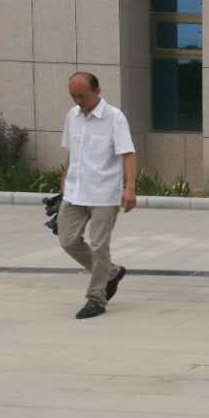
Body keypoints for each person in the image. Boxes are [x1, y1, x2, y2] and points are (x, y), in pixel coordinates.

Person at [57, 72, 137, 319]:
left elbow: (128, 154)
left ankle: (96, 298)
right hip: (75, 190)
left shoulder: (115, 117)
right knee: (67, 240)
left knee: (99, 246)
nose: (77, 101)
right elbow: (73, 151)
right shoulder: (72, 116)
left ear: (97, 91)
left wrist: (130, 188)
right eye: (73, 96)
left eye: (82, 95)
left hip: (104, 193)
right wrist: (64, 176)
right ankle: (110, 272)